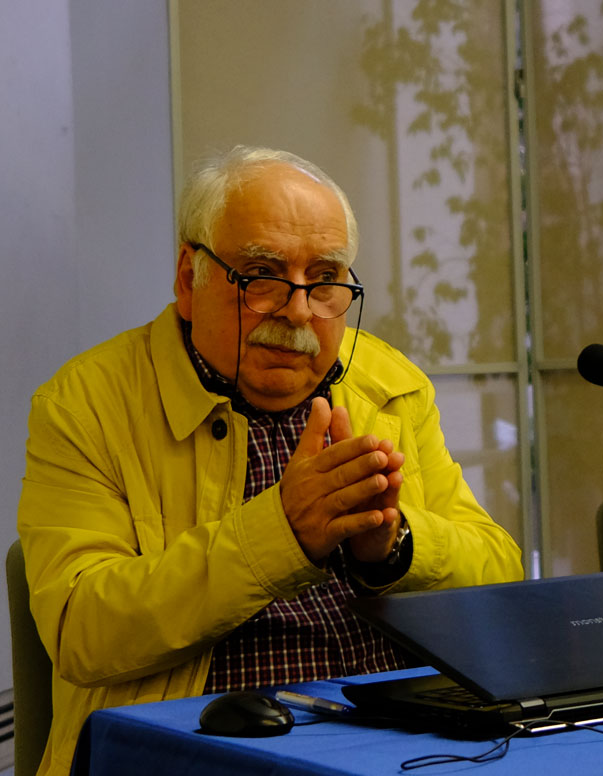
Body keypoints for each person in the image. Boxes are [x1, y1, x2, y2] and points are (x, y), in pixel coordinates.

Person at [18, 145, 524, 776]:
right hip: (198, 749)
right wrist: (281, 534)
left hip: (397, 740)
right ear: (189, 279)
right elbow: (81, 630)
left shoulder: (388, 386)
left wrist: (394, 548)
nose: (298, 309)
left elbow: (500, 575)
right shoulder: (87, 403)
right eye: (262, 275)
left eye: (326, 279)